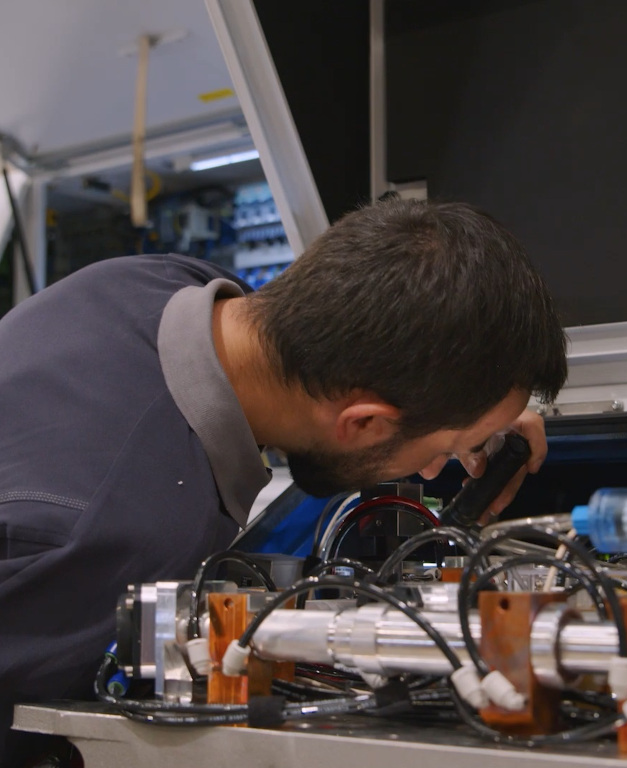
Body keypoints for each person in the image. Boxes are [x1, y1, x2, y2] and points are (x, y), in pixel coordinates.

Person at [0, 198, 568, 766]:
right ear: (364, 422)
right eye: (442, 453)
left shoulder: (168, 285)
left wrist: (470, 409)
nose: (430, 472)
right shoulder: (102, 535)